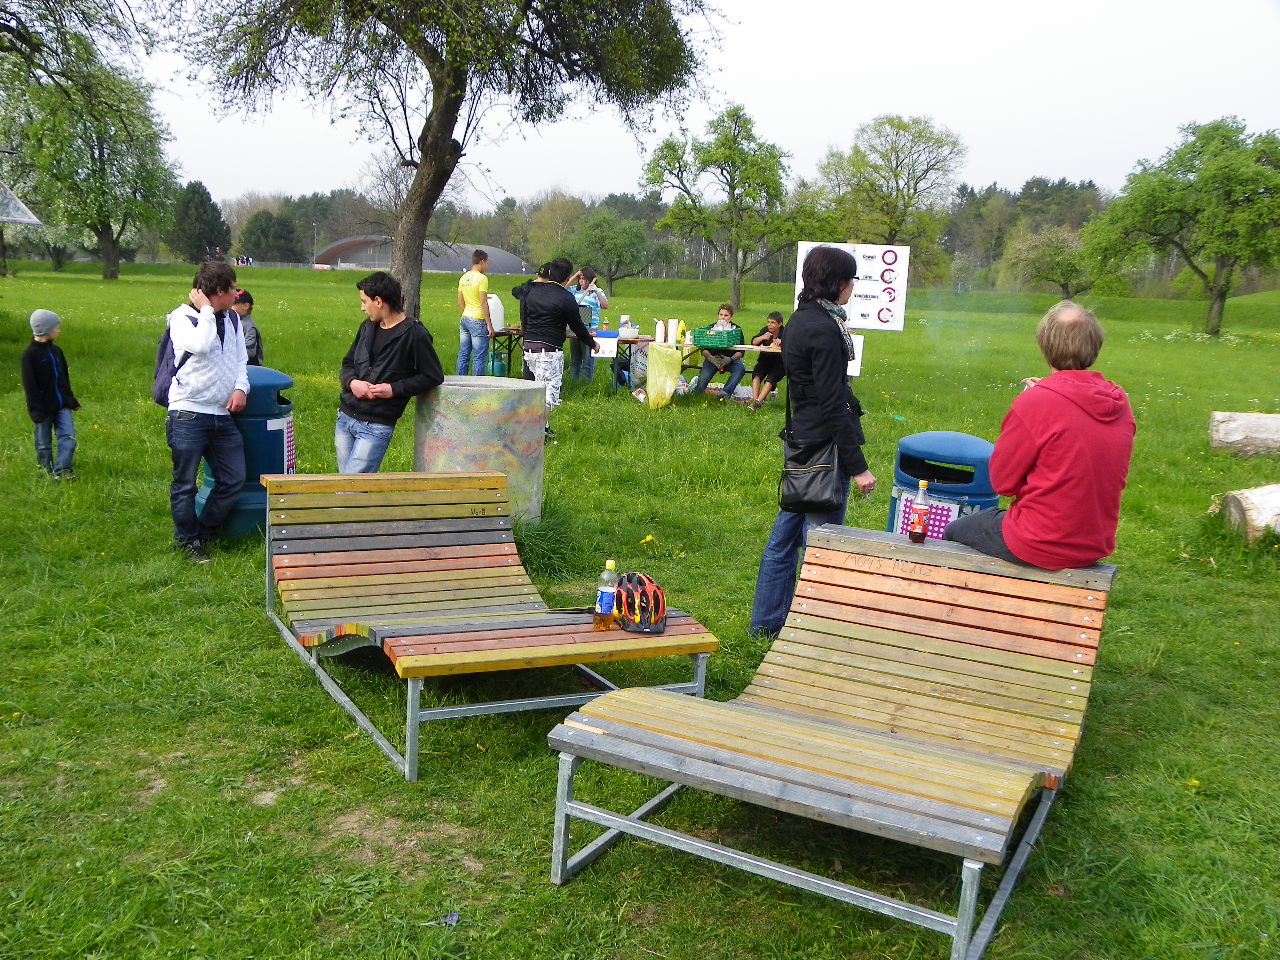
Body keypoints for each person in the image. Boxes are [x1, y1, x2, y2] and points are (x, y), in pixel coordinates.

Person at [943, 301, 1135, 569]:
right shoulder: (1119, 402)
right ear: (1095, 344)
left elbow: (1002, 482)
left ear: (1045, 344)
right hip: (1092, 544)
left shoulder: (1037, 403)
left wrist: (1036, 401)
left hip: (1039, 540)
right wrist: (1048, 392)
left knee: (955, 532)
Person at [749, 246, 876, 636]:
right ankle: (807, 631)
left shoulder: (800, 319)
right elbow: (832, 401)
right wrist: (858, 467)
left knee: (785, 538)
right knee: (821, 545)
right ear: (836, 282)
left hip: (801, 437)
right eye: (850, 280)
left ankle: (766, 625)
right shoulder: (824, 327)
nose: (852, 288)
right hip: (823, 446)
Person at [164, 262, 250, 563]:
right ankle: (188, 542)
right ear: (219, 291)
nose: (237, 294)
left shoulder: (233, 319)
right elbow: (200, 345)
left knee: (234, 478)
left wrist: (241, 388)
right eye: (232, 289)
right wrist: (205, 311)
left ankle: (204, 533)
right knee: (185, 484)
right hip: (188, 412)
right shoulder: (181, 318)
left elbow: (241, 360)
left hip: (221, 415)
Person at [336, 271, 445, 474]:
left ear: (378, 301)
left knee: (351, 487)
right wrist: (352, 382)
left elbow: (433, 376)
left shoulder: (415, 334)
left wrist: (394, 389)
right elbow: (348, 363)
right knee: (344, 484)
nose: (362, 308)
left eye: (364, 301)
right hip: (345, 418)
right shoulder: (367, 328)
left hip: (376, 425)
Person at [511, 258, 595, 431]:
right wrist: (592, 343)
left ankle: (544, 429)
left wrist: (526, 335)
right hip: (549, 350)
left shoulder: (531, 290)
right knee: (549, 392)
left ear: (550, 273)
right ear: (568, 277)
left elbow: (524, 317)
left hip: (529, 347)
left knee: (535, 389)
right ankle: (535, 431)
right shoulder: (566, 297)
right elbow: (577, 326)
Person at [21, 308, 80, 480]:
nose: (59, 330)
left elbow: (64, 379)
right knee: (44, 444)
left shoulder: (57, 351)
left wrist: (71, 400)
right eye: (56, 327)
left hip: (62, 405)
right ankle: (46, 472)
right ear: (46, 329)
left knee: (68, 437)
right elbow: (30, 386)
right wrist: (35, 409)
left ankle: (62, 471)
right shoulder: (29, 355)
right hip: (43, 407)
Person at [692, 304, 747, 401]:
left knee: (740, 369)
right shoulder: (711, 329)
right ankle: (696, 396)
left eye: (726, 315)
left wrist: (730, 360)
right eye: (721, 315)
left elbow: (741, 351)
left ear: (731, 317)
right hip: (713, 358)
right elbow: (703, 348)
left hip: (730, 359)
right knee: (703, 380)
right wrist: (710, 358)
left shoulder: (736, 330)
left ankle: (724, 394)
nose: (723, 317)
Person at [567, 267, 609, 381]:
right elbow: (562, 290)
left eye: (584, 279)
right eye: (580, 279)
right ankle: (573, 381)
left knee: (587, 360)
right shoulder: (574, 290)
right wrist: (574, 276)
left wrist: (596, 291)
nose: (582, 281)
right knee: (575, 360)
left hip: (589, 330)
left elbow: (605, 305)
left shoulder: (596, 292)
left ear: (590, 280)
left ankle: (586, 382)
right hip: (574, 329)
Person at [456, 249, 493, 376]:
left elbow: (460, 301)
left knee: (463, 354)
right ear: (482, 261)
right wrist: (489, 325)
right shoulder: (482, 279)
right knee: (479, 356)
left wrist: (465, 314)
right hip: (477, 319)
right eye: (487, 263)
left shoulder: (463, 277)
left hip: (465, 318)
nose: (487, 266)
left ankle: (460, 382)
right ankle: (478, 384)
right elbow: (483, 303)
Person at [747, 311, 786, 411]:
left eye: (772, 322)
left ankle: (758, 402)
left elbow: (793, 344)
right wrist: (762, 337)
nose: (769, 325)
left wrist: (783, 342)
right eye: (768, 322)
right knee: (756, 373)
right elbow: (753, 342)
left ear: (779, 324)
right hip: (765, 360)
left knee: (771, 378)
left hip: (780, 362)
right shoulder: (765, 330)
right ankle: (755, 400)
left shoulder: (785, 332)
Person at [233, 289, 263, 366]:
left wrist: (231, 354)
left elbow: (250, 352)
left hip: (250, 366)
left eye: (232, 304)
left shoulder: (249, 326)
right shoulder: (233, 322)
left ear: (246, 306)